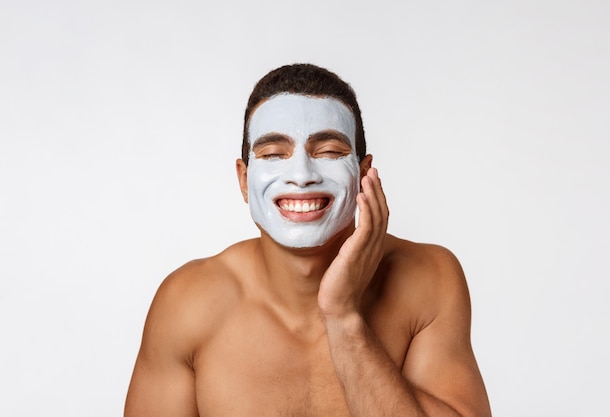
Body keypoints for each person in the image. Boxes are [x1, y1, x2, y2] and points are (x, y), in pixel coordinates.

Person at [124, 63, 492, 417]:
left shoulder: (428, 279)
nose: (301, 175)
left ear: (365, 174)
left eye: (329, 151)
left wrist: (344, 317)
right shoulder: (189, 302)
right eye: (273, 154)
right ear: (243, 179)